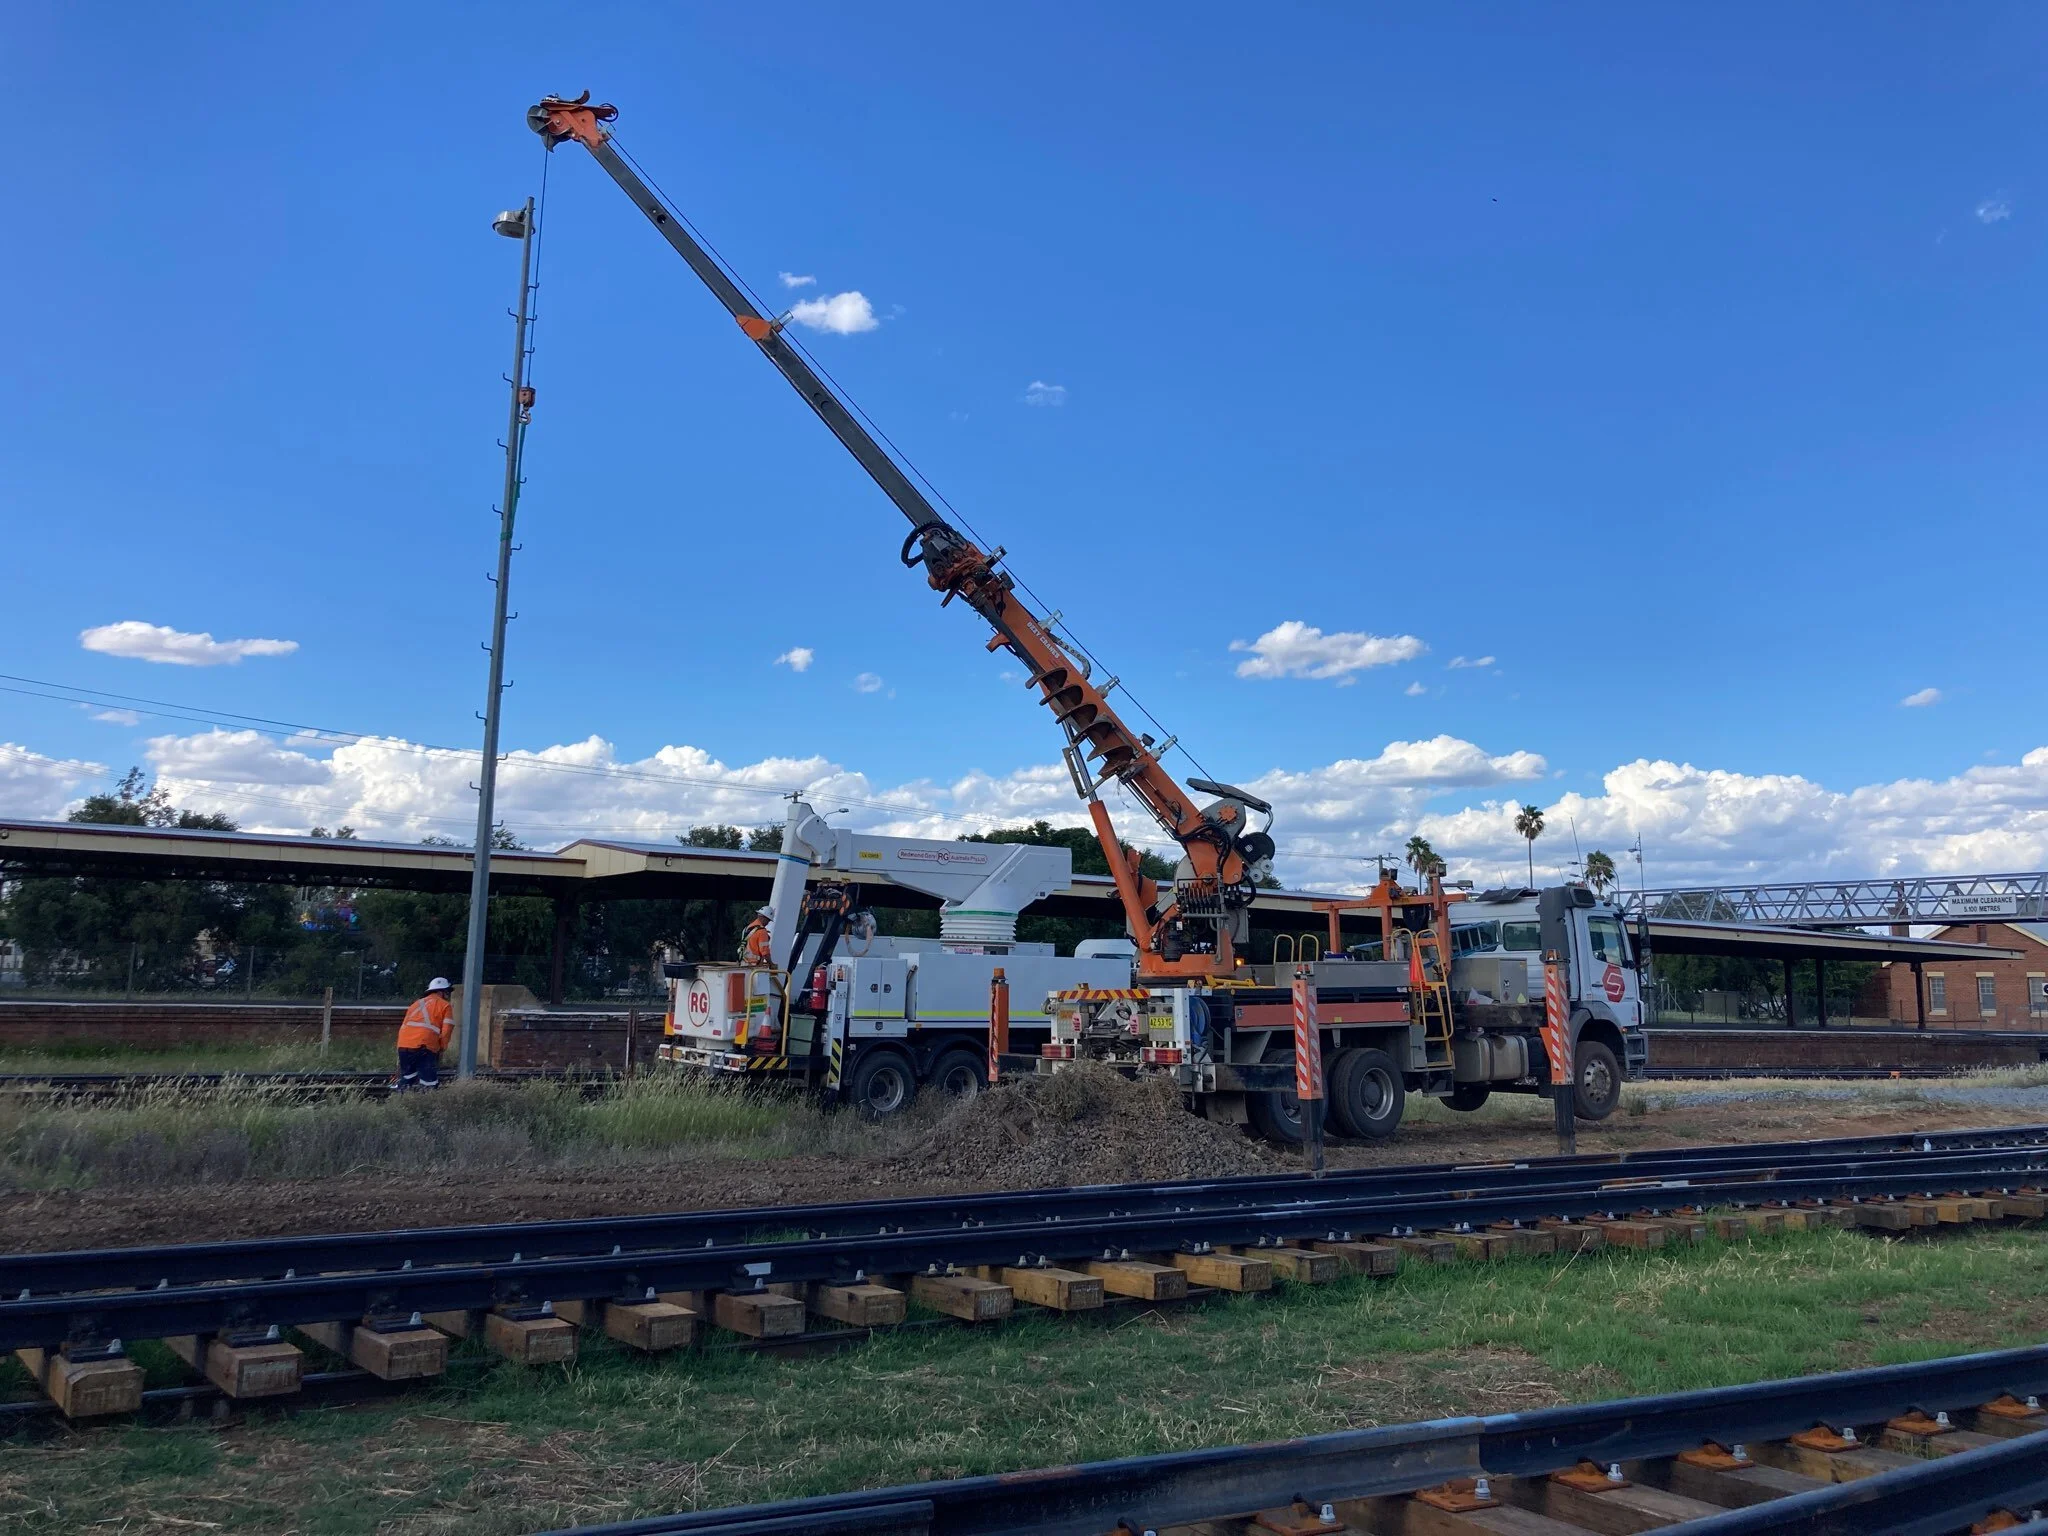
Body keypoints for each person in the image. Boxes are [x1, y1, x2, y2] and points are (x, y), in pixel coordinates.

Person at [395, 977, 455, 1090]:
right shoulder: (445, 1005)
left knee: (408, 1077)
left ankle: (400, 1099)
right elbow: (447, 1029)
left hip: (404, 1045)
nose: (448, 995)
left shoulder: (415, 1004)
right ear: (440, 992)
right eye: (447, 991)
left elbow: (405, 1025)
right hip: (424, 1046)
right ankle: (427, 1104)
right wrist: (442, 1047)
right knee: (429, 1083)